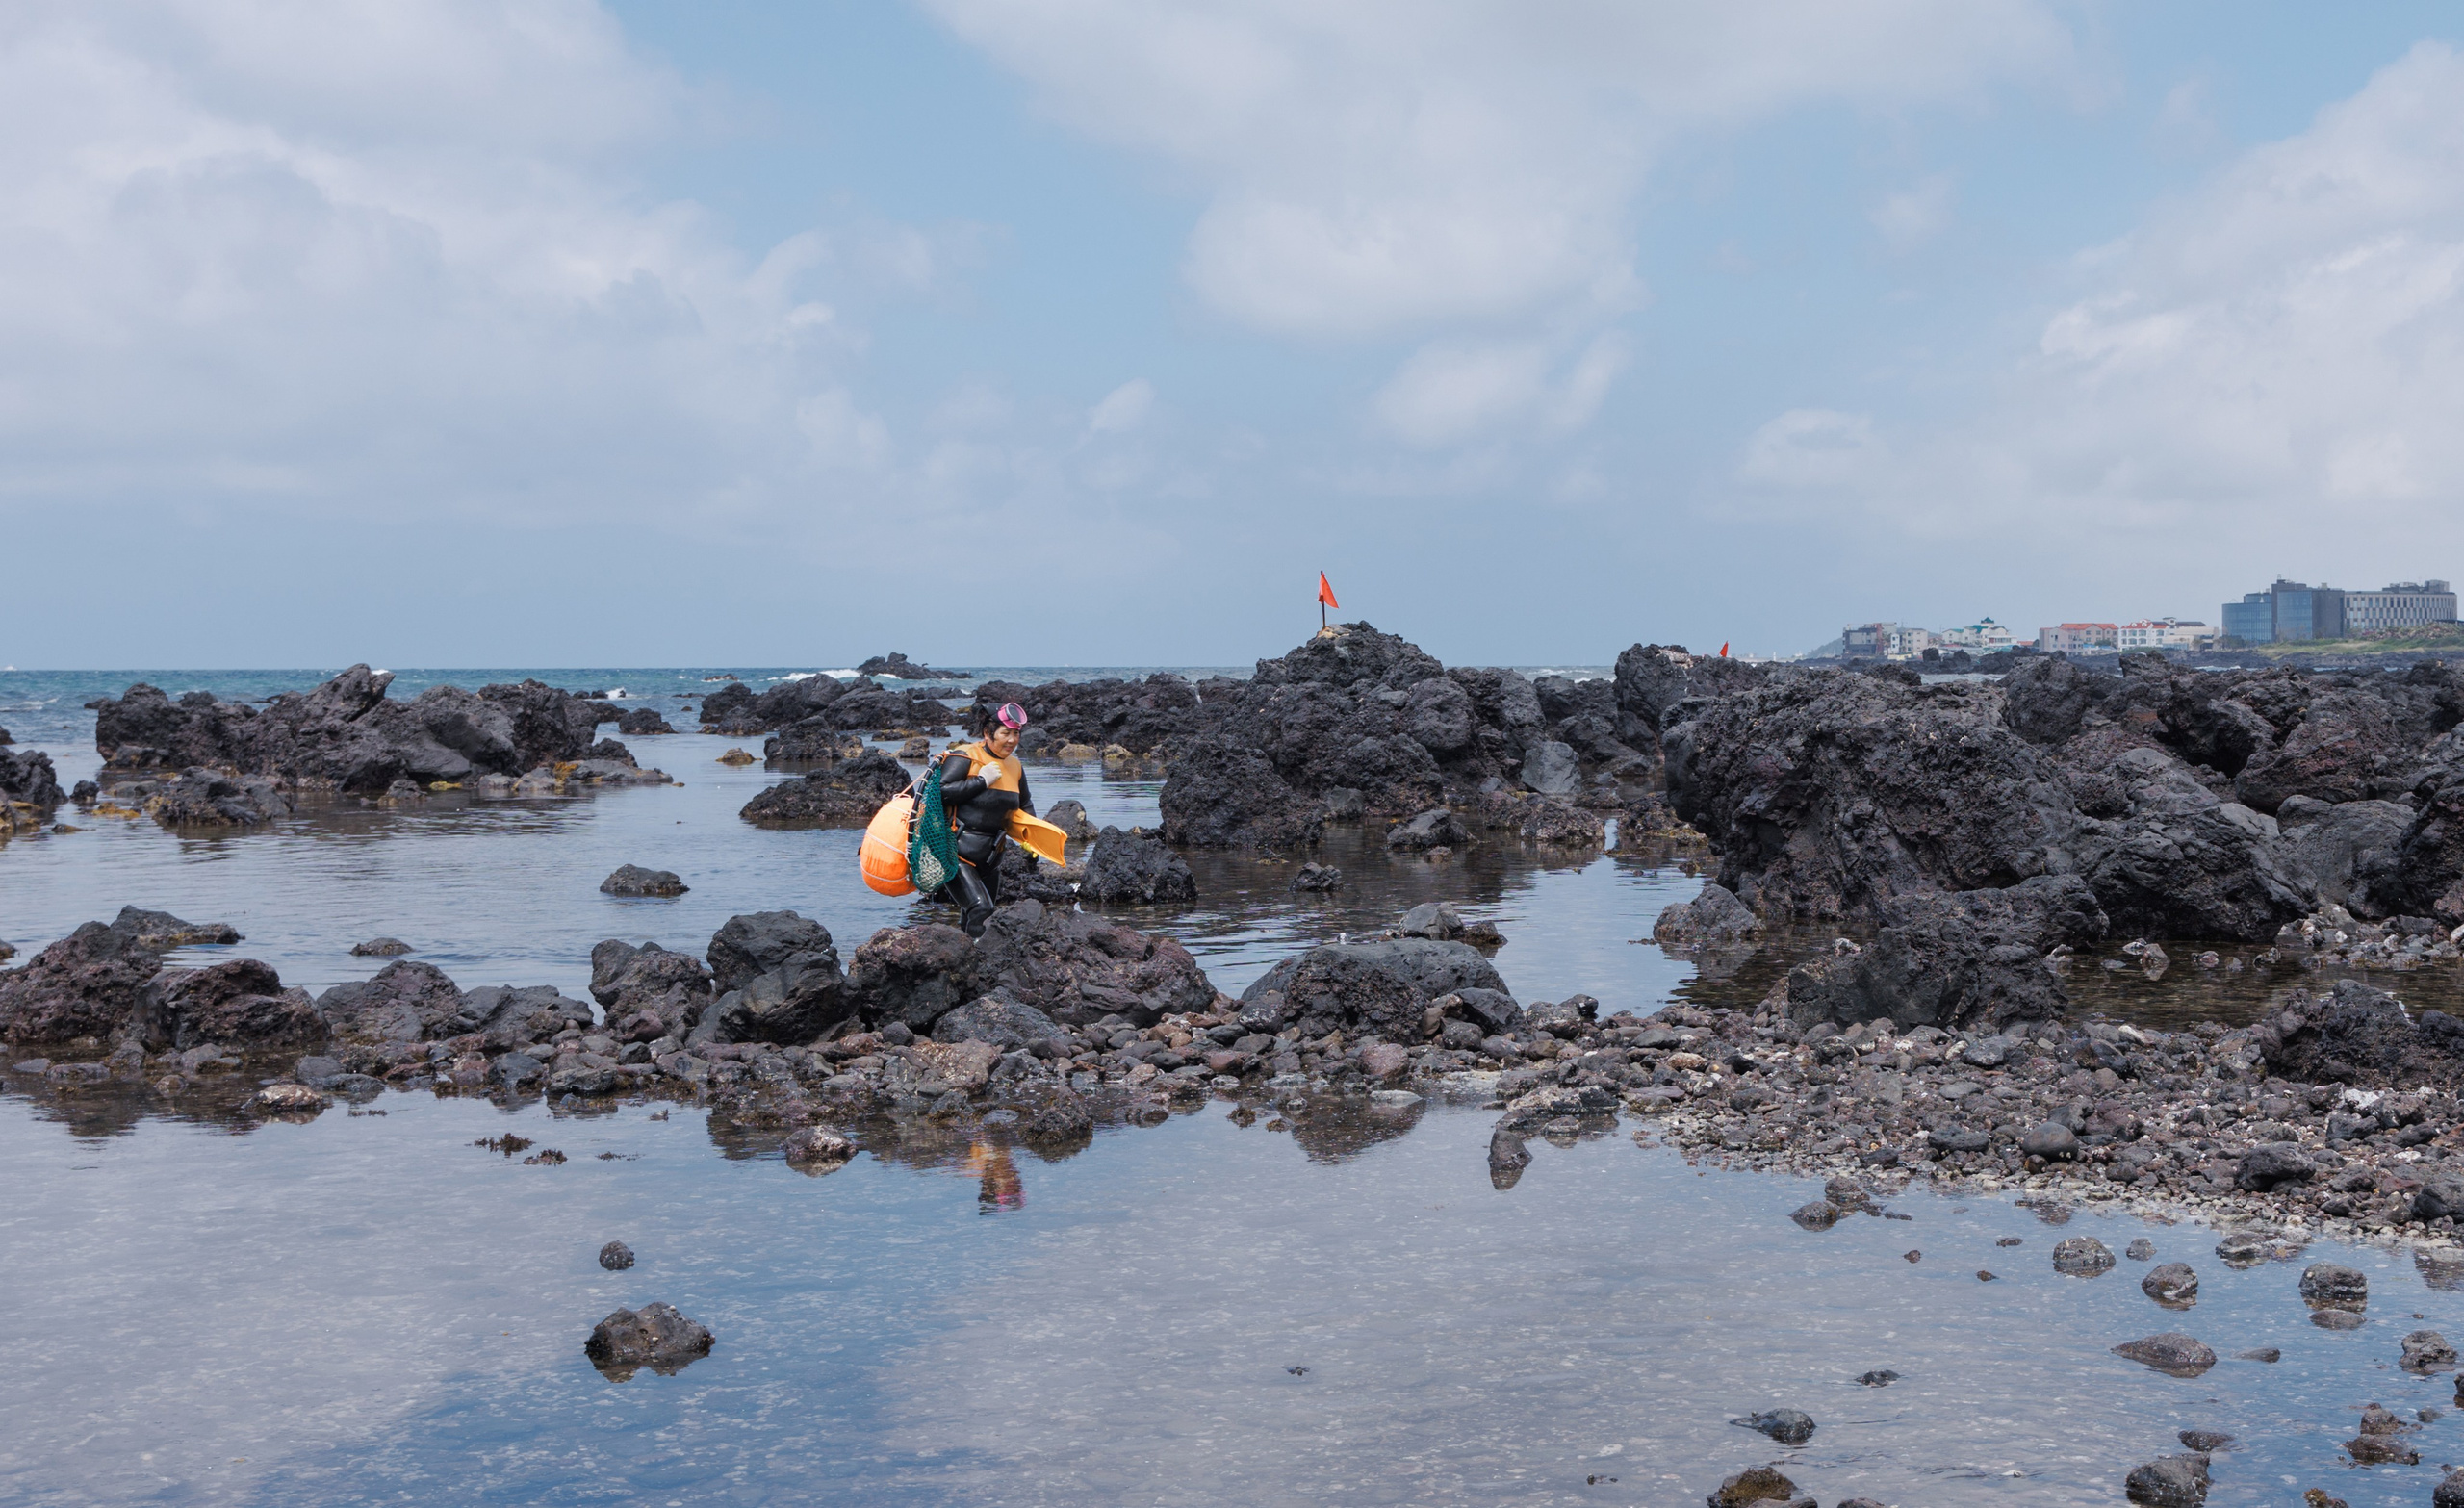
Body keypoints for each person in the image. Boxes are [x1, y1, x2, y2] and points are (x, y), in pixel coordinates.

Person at [931, 701, 1035, 937]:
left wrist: (1033, 838)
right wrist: (981, 781)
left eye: (1016, 734)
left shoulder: (1015, 766)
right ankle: (977, 957)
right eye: (1005, 733)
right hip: (956, 853)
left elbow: (1025, 804)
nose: (1012, 740)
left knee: (978, 916)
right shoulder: (966, 755)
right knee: (981, 909)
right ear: (988, 733)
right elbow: (939, 791)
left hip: (991, 857)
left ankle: (966, 953)